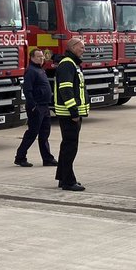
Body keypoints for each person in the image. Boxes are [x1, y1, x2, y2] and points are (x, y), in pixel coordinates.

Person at [53, 37, 89, 191]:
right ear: (73, 47)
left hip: (70, 113)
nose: (84, 50)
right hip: (69, 114)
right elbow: (66, 89)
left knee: (67, 146)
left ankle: (62, 177)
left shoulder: (71, 63)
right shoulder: (68, 64)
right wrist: (74, 111)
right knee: (70, 147)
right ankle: (68, 181)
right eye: (82, 47)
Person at [15, 48, 57, 168]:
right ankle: (20, 157)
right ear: (32, 58)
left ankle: (47, 158)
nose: (41, 58)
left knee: (44, 134)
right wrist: (33, 106)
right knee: (32, 133)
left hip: (45, 106)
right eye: (38, 57)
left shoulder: (40, 70)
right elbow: (27, 90)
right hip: (37, 107)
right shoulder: (31, 71)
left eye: (42, 57)